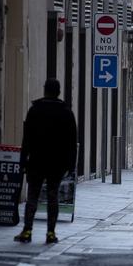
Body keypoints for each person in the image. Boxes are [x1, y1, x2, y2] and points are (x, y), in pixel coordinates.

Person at [14, 79, 77, 244]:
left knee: (33, 196)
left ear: (45, 90)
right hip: (57, 163)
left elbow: (26, 139)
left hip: (37, 161)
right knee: (53, 196)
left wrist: (22, 161)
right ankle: (51, 233)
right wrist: (71, 165)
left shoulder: (35, 110)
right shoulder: (66, 112)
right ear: (59, 91)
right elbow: (72, 141)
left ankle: (27, 231)